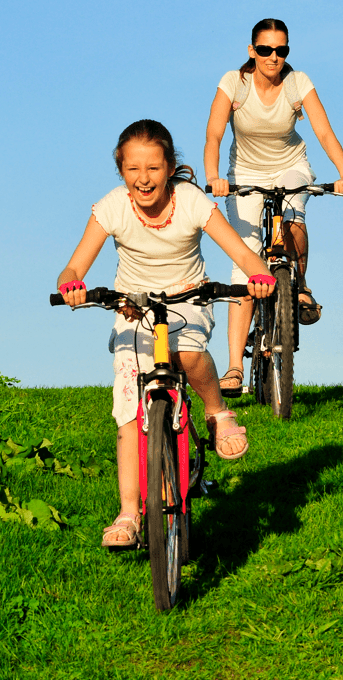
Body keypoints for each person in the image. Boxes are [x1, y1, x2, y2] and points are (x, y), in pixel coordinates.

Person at [56, 119, 275, 548]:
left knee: (189, 354)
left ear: (170, 167)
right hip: (133, 307)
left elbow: (242, 252)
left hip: (188, 298)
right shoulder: (112, 207)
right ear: (121, 170)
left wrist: (259, 275)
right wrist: (72, 285)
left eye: (154, 168)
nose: (144, 179)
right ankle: (127, 514)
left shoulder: (190, 200)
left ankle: (217, 413)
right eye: (133, 169)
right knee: (128, 412)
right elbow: (75, 264)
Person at [204, 18, 343, 398]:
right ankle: (235, 367)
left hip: (290, 166)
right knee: (244, 265)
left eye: (282, 50)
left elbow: (322, 130)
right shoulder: (234, 83)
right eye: (267, 50)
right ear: (252, 51)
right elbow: (215, 133)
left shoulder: (297, 82)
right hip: (244, 174)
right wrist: (213, 176)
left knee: (293, 218)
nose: (274, 57)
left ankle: (298, 284)